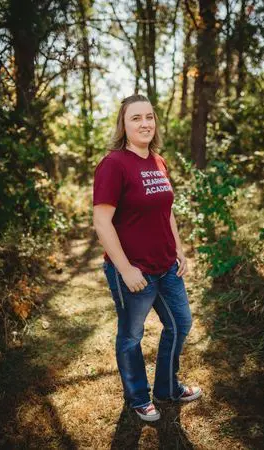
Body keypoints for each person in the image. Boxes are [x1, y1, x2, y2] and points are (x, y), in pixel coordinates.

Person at [93, 94, 202, 422]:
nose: (145, 123)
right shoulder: (114, 164)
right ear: (123, 126)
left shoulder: (158, 161)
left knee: (180, 324)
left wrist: (179, 250)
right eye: (136, 118)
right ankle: (138, 398)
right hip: (134, 270)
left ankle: (167, 388)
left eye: (149, 117)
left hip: (166, 266)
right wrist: (125, 269)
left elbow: (165, 212)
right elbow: (102, 221)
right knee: (131, 336)